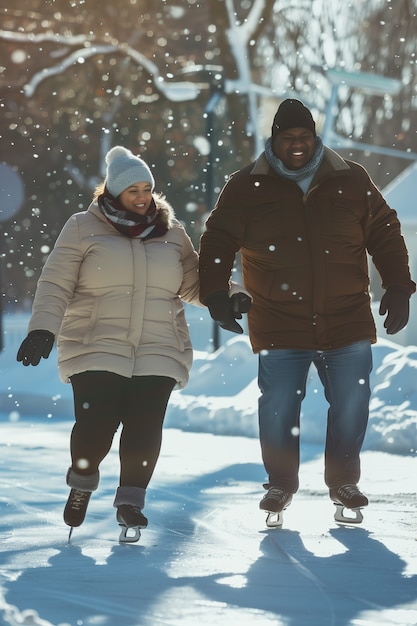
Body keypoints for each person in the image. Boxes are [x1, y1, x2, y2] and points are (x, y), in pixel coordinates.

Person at [198, 99, 415, 524]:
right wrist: (215, 294)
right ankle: (280, 483)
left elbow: (385, 230)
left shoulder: (350, 179)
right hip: (279, 318)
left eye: (304, 137)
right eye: (287, 137)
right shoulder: (246, 186)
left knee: (352, 400)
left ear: (315, 138)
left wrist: (400, 286)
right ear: (274, 140)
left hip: (346, 315)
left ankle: (344, 482)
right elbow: (218, 240)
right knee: (278, 403)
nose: (296, 145)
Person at [17, 145, 206, 541]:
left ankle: (130, 502)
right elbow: (56, 281)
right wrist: (43, 328)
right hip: (95, 341)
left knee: (145, 423)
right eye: (133, 189)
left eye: (147, 188)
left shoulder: (172, 233)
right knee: (96, 425)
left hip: (158, 345)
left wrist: (228, 295)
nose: (142, 197)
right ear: (113, 192)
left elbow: (194, 283)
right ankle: (83, 480)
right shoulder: (83, 227)